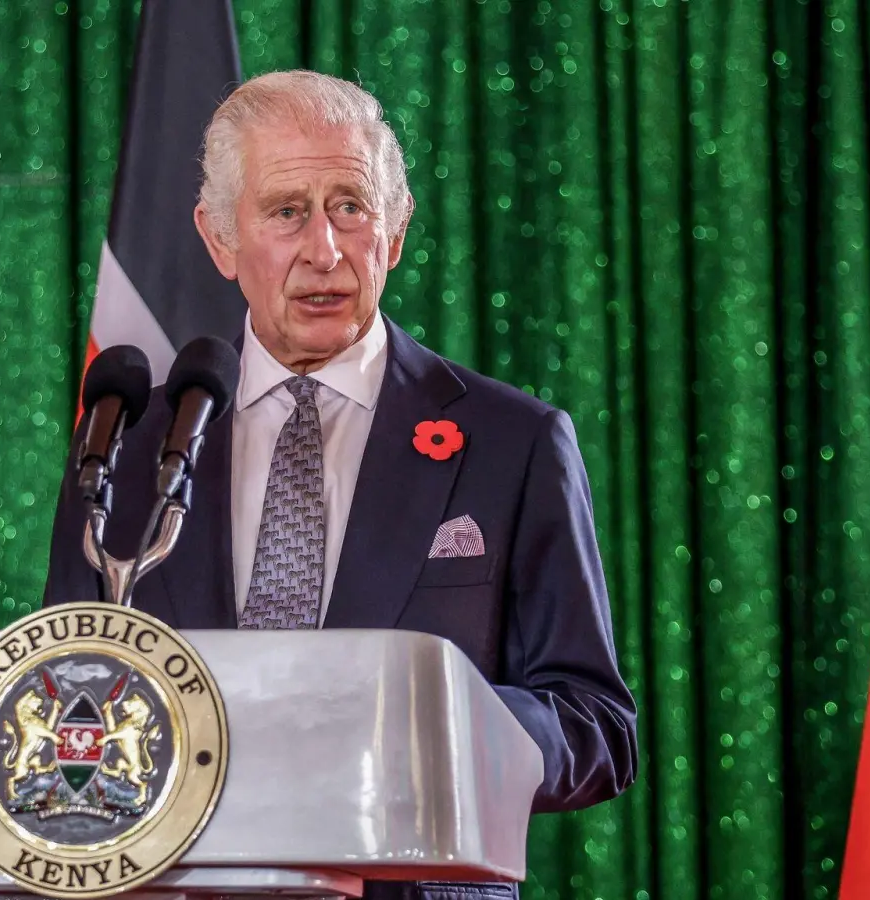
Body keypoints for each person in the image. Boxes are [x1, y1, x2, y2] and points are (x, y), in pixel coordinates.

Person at [43, 70, 637, 900]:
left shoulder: (514, 442)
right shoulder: (129, 446)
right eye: (286, 211)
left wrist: (440, 726)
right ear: (218, 238)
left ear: (394, 232)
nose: (324, 249)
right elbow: (66, 692)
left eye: (351, 207)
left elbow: (595, 726)